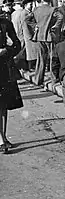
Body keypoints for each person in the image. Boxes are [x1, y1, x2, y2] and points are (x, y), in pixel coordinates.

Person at [26, 0, 63, 86]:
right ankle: (54, 79)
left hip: (39, 36)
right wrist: (55, 27)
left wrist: (35, 26)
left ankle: (38, 80)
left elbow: (27, 20)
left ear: (42, 0)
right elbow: (61, 17)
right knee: (52, 58)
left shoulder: (36, 9)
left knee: (41, 59)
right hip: (49, 36)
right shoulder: (53, 9)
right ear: (50, 0)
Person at [0, 14, 23, 154]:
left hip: (5, 69)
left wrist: (7, 51)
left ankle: (3, 136)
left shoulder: (6, 23)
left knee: (4, 106)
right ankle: (1, 140)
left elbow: (17, 44)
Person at [11, 0, 35, 72]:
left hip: (20, 34)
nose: (31, 6)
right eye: (30, 4)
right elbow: (24, 25)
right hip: (25, 35)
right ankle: (25, 66)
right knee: (26, 52)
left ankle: (23, 66)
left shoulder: (14, 13)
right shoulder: (24, 13)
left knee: (25, 51)